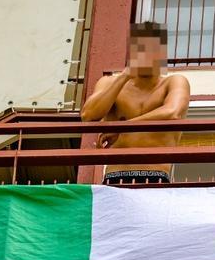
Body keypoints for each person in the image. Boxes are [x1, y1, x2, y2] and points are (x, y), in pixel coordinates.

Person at [80, 22, 190, 185]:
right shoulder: (109, 82)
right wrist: (124, 76)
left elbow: (172, 112)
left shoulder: (174, 82)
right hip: (115, 176)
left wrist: (122, 127)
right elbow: (88, 115)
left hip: (156, 175)